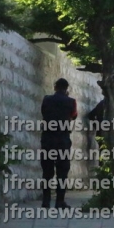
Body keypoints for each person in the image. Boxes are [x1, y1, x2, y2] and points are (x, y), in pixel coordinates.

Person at [40, 78, 78, 209]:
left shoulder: (46, 99)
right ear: (66, 88)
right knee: (62, 170)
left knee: (47, 170)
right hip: (62, 139)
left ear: (55, 87)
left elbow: (44, 112)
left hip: (48, 138)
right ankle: (59, 201)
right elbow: (74, 115)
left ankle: (46, 201)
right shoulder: (71, 101)